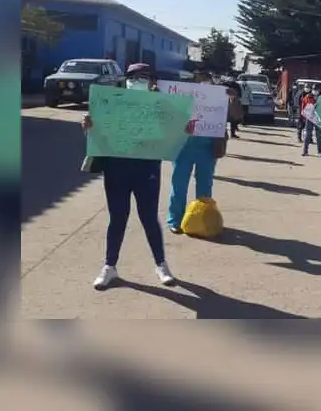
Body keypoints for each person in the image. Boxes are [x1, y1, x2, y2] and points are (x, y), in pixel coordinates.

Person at [82, 63, 196, 290]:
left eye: (145, 77)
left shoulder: (163, 106)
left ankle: (161, 265)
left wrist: (184, 132)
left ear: (154, 82)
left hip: (147, 169)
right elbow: (99, 131)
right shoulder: (112, 102)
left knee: (148, 217)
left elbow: (172, 135)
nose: (139, 80)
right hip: (116, 168)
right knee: (117, 218)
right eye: (134, 76)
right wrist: (88, 126)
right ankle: (109, 266)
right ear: (126, 79)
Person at [166, 74, 223, 234]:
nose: (204, 87)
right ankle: (175, 220)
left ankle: (203, 220)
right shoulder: (182, 100)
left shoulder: (218, 101)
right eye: (200, 84)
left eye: (208, 85)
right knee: (179, 184)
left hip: (207, 148)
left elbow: (236, 115)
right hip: (184, 148)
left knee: (205, 186)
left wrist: (232, 99)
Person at [301, 88, 321, 156]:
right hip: (309, 118)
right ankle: (305, 151)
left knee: (318, 135)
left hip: (318, 118)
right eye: (314, 89)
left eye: (316, 89)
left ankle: (319, 152)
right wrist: (304, 116)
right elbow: (303, 107)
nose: (315, 91)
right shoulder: (307, 97)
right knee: (308, 135)